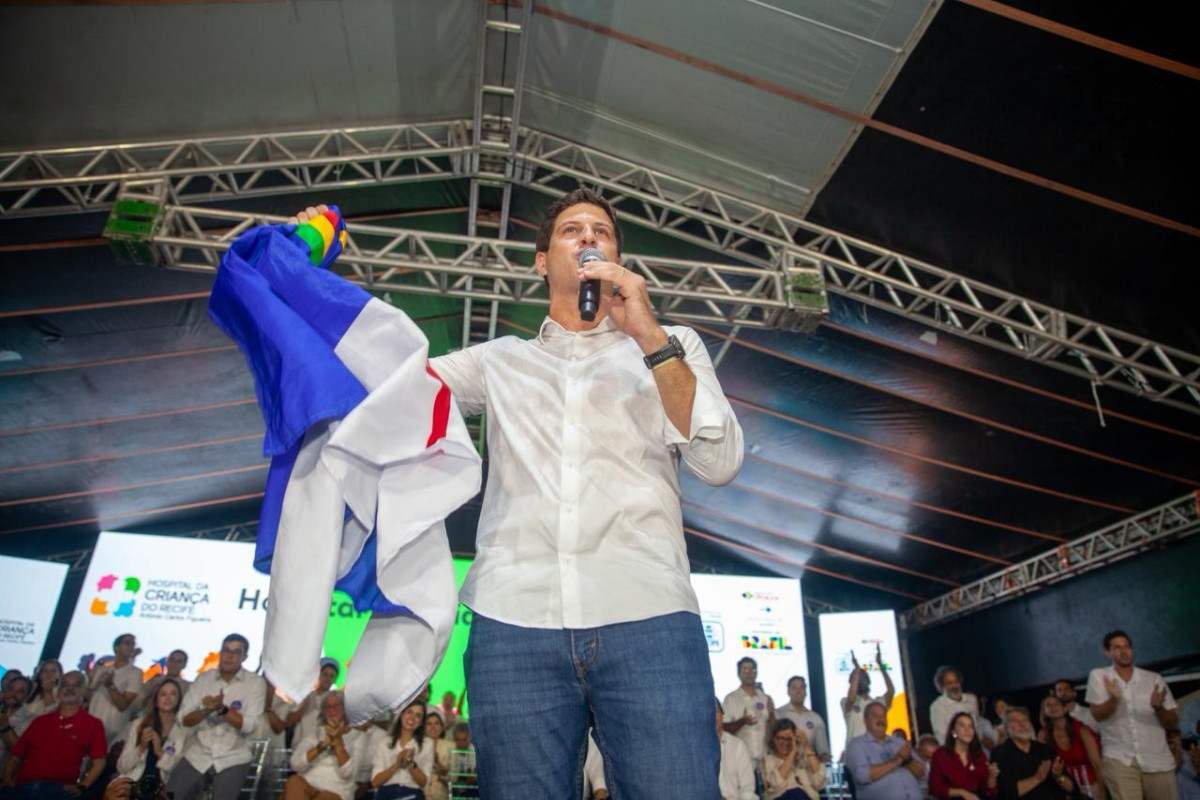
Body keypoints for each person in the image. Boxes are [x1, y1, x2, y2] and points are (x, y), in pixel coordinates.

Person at [401, 185, 743, 799]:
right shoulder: (500, 361)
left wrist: (647, 333)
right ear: (541, 262)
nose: (588, 237)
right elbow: (393, 388)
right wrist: (311, 283)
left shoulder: (674, 345)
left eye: (602, 232)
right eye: (571, 230)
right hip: (514, 623)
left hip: (649, 617)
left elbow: (718, 462)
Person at [167, 633, 265, 800]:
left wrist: (222, 710)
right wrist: (205, 710)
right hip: (198, 753)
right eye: (226, 650)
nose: (229, 656)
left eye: (236, 652)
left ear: (245, 657)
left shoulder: (255, 683)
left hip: (234, 757)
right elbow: (184, 719)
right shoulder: (204, 679)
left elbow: (249, 725)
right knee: (169, 795)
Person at [1087, 629, 1180, 800]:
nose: (1124, 651)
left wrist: (1159, 708)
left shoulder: (1153, 679)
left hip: (1157, 759)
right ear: (1107, 652)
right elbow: (1097, 715)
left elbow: (1173, 722)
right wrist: (1114, 699)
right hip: (1119, 758)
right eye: (1117, 647)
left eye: (1127, 646)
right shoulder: (1100, 676)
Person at [0, 677, 106, 799]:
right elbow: (15, 756)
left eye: (76, 685)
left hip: (58, 792)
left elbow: (99, 761)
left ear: (84, 691)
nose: (69, 688)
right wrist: (8, 781)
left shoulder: (93, 724)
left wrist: (83, 786)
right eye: (64, 684)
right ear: (59, 691)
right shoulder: (40, 721)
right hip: (23, 787)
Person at [107, 677, 188, 798]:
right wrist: (141, 748)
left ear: (179, 700)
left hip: (163, 791)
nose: (168, 698)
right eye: (163, 694)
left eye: (173, 694)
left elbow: (179, 773)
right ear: (156, 700)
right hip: (133, 787)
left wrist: (159, 752)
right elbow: (122, 767)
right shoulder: (139, 725)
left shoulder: (182, 731)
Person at [284, 690, 363, 800]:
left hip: (336, 791)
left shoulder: (358, 736)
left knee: (325, 798)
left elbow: (348, 773)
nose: (332, 710)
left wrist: (338, 741)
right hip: (309, 785)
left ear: (345, 710)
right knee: (294, 782)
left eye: (336, 706)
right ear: (323, 712)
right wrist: (321, 746)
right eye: (327, 707)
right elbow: (295, 764)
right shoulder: (315, 734)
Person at [990, 706, 1074, 799]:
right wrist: (1037, 778)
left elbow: (1072, 789)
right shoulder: (999, 754)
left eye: (1025, 720)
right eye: (1015, 721)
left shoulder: (1046, 749)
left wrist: (1058, 776)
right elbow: (1006, 793)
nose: (1022, 725)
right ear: (1006, 728)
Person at [846, 701, 924, 799]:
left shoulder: (899, 742)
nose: (880, 719)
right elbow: (862, 776)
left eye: (883, 716)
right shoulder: (856, 745)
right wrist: (898, 759)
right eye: (875, 716)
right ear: (865, 720)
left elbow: (921, 773)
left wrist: (908, 760)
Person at [1039, 695, 1104, 799]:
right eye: (1048, 705)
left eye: (1056, 704)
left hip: (1092, 786)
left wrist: (1104, 792)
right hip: (1063, 788)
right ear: (1044, 711)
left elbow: (1097, 764)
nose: (1052, 707)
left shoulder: (1082, 730)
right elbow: (1045, 768)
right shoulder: (1043, 735)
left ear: (1065, 708)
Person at [88, 634, 143, 749]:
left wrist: (110, 686)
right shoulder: (102, 669)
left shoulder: (135, 672)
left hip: (112, 733)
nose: (131, 647)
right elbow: (88, 697)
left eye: (133, 644)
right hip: (89, 728)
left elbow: (123, 705)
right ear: (116, 647)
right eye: (127, 643)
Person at [371, 699, 432, 800]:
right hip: (386, 794)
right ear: (401, 714)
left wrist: (411, 764)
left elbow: (424, 783)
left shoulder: (427, 744)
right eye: (409, 712)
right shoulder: (384, 743)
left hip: (412, 795)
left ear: (421, 722)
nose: (412, 718)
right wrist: (397, 765)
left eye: (418, 715)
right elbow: (375, 782)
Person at [723, 657, 776, 774]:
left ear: (756, 673)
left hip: (765, 758)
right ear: (738, 674)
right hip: (741, 759)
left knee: (766, 791)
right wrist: (742, 721)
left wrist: (772, 715)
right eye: (745, 670)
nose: (749, 673)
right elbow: (724, 728)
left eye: (752, 670)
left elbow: (774, 728)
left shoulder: (765, 698)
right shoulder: (731, 698)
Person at [928, 711, 998, 799]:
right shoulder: (940, 755)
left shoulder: (979, 755)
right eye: (962, 725)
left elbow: (988, 790)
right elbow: (935, 788)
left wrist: (992, 777)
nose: (967, 730)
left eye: (970, 726)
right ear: (953, 732)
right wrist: (962, 793)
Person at [842, 645, 896, 748]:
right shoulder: (846, 702)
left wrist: (880, 665)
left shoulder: (878, 703)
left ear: (869, 681)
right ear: (852, 683)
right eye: (857, 678)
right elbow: (852, 698)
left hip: (877, 753)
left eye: (864, 677)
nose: (861, 679)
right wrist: (857, 670)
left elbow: (891, 691)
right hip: (855, 754)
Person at [763, 718, 827, 800]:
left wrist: (806, 746)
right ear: (773, 739)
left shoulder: (804, 759)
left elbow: (820, 783)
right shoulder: (768, 760)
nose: (784, 742)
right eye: (779, 738)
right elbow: (775, 784)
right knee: (794, 793)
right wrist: (792, 752)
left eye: (789, 739)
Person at [288, 659, 341, 747]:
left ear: (335, 679)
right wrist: (304, 706)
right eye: (325, 674)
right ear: (318, 675)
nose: (328, 678)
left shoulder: (336, 698)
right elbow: (290, 721)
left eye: (332, 676)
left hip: (321, 749)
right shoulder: (305, 695)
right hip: (299, 747)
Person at [776, 676, 830, 763]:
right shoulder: (778, 714)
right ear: (788, 692)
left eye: (802, 687)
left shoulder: (816, 718)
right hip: (785, 768)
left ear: (806, 692)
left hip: (809, 769)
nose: (798, 691)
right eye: (794, 688)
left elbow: (823, 752)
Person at [930, 667, 986, 751]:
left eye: (956, 681)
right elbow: (941, 736)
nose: (954, 686)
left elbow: (977, 726)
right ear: (942, 686)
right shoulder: (937, 706)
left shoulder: (972, 699)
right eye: (949, 683)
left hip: (976, 748)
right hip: (953, 752)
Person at [716, 699, 755, 800]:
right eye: (708, 712)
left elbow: (748, 787)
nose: (713, 717)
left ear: (722, 714)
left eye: (716, 712)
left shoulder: (737, 745)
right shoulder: (695, 749)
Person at [423, 712, 450, 800]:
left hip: (441, 796)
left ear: (442, 727)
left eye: (436, 723)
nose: (433, 727)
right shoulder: (416, 746)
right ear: (423, 728)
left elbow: (454, 779)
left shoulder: (450, 746)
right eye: (429, 724)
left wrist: (437, 761)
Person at [446, 723, 477, 798]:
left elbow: (472, 777)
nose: (460, 743)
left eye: (464, 740)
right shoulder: (451, 749)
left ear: (469, 738)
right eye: (457, 740)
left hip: (470, 787)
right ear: (453, 738)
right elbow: (450, 777)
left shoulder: (472, 749)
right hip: (453, 787)